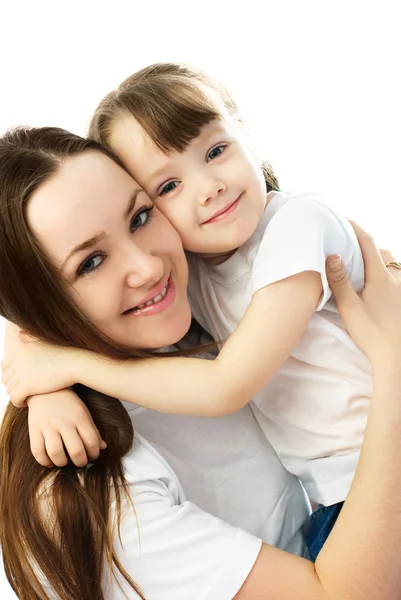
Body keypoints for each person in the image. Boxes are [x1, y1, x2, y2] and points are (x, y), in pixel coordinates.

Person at [2, 64, 392, 559]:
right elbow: (31, 291)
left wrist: (68, 365)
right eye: (167, 189)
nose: (207, 188)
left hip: (377, 473)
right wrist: (45, 389)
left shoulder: (299, 227)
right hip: (341, 496)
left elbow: (226, 386)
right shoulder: (192, 264)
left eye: (215, 151)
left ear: (244, 133)